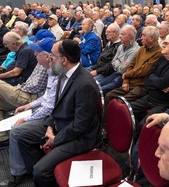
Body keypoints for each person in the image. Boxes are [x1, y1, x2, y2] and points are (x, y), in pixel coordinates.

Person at [4, 39, 100, 187]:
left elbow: (81, 125)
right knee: (21, 135)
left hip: (80, 138)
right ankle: (37, 171)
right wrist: (49, 127)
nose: (50, 58)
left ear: (64, 60)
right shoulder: (63, 74)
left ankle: (41, 172)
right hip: (60, 126)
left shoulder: (85, 85)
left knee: (40, 171)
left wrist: (55, 139)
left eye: (53, 56)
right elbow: (56, 106)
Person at [129, 35, 169, 124]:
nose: (162, 45)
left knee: (145, 125)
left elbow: (161, 82)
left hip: (163, 103)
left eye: (166, 43)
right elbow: (146, 79)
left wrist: (154, 79)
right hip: (149, 97)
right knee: (126, 111)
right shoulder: (162, 58)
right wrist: (159, 85)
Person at [105, 26, 162, 103]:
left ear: (151, 38)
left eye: (143, 35)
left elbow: (143, 71)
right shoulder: (142, 48)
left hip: (141, 86)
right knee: (109, 95)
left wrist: (126, 75)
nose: (140, 37)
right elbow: (131, 66)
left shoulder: (158, 53)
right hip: (130, 82)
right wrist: (126, 81)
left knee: (120, 102)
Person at [93, 25, 139, 95]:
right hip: (115, 73)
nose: (120, 36)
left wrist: (117, 62)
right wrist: (120, 63)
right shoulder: (121, 46)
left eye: (122, 34)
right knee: (95, 85)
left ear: (130, 36)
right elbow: (113, 61)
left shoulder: (134, 50)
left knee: (100, 90)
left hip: (123, 78)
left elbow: (123, 70)